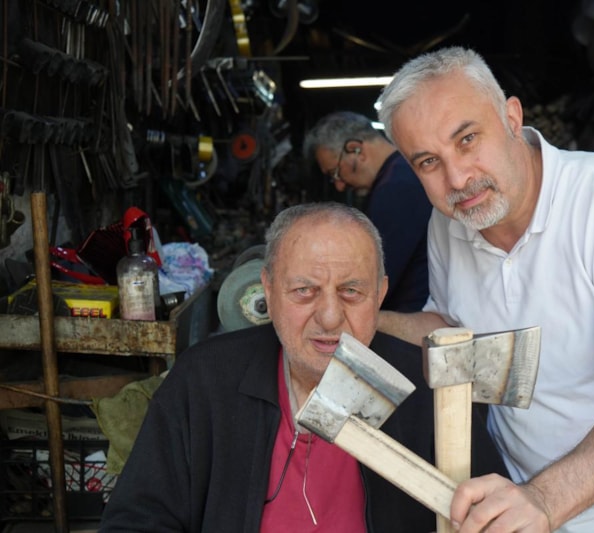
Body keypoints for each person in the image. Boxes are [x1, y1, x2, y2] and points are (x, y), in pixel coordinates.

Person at [375, 46, 594, 533]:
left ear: (512, 117)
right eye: (428, 162)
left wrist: (545, 500)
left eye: (467, 139)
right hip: (522, 508)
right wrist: (364, 322)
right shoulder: (449, 223)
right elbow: (452, 333)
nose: (457, 178)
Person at [98, 202, 507, 533]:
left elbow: (493, 514)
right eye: (304, 291)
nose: (329, 317)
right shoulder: (204, 381)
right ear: (269, 290)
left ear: (380, 294)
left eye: (351, 291)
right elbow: (136, 520)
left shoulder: (430, 391)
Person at [303, 111, 432, 312]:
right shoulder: (405, 172)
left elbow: (376, 277)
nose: (339, 186)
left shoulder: (396, 188)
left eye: (336, 173)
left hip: (413, 315)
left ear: (356, 150)